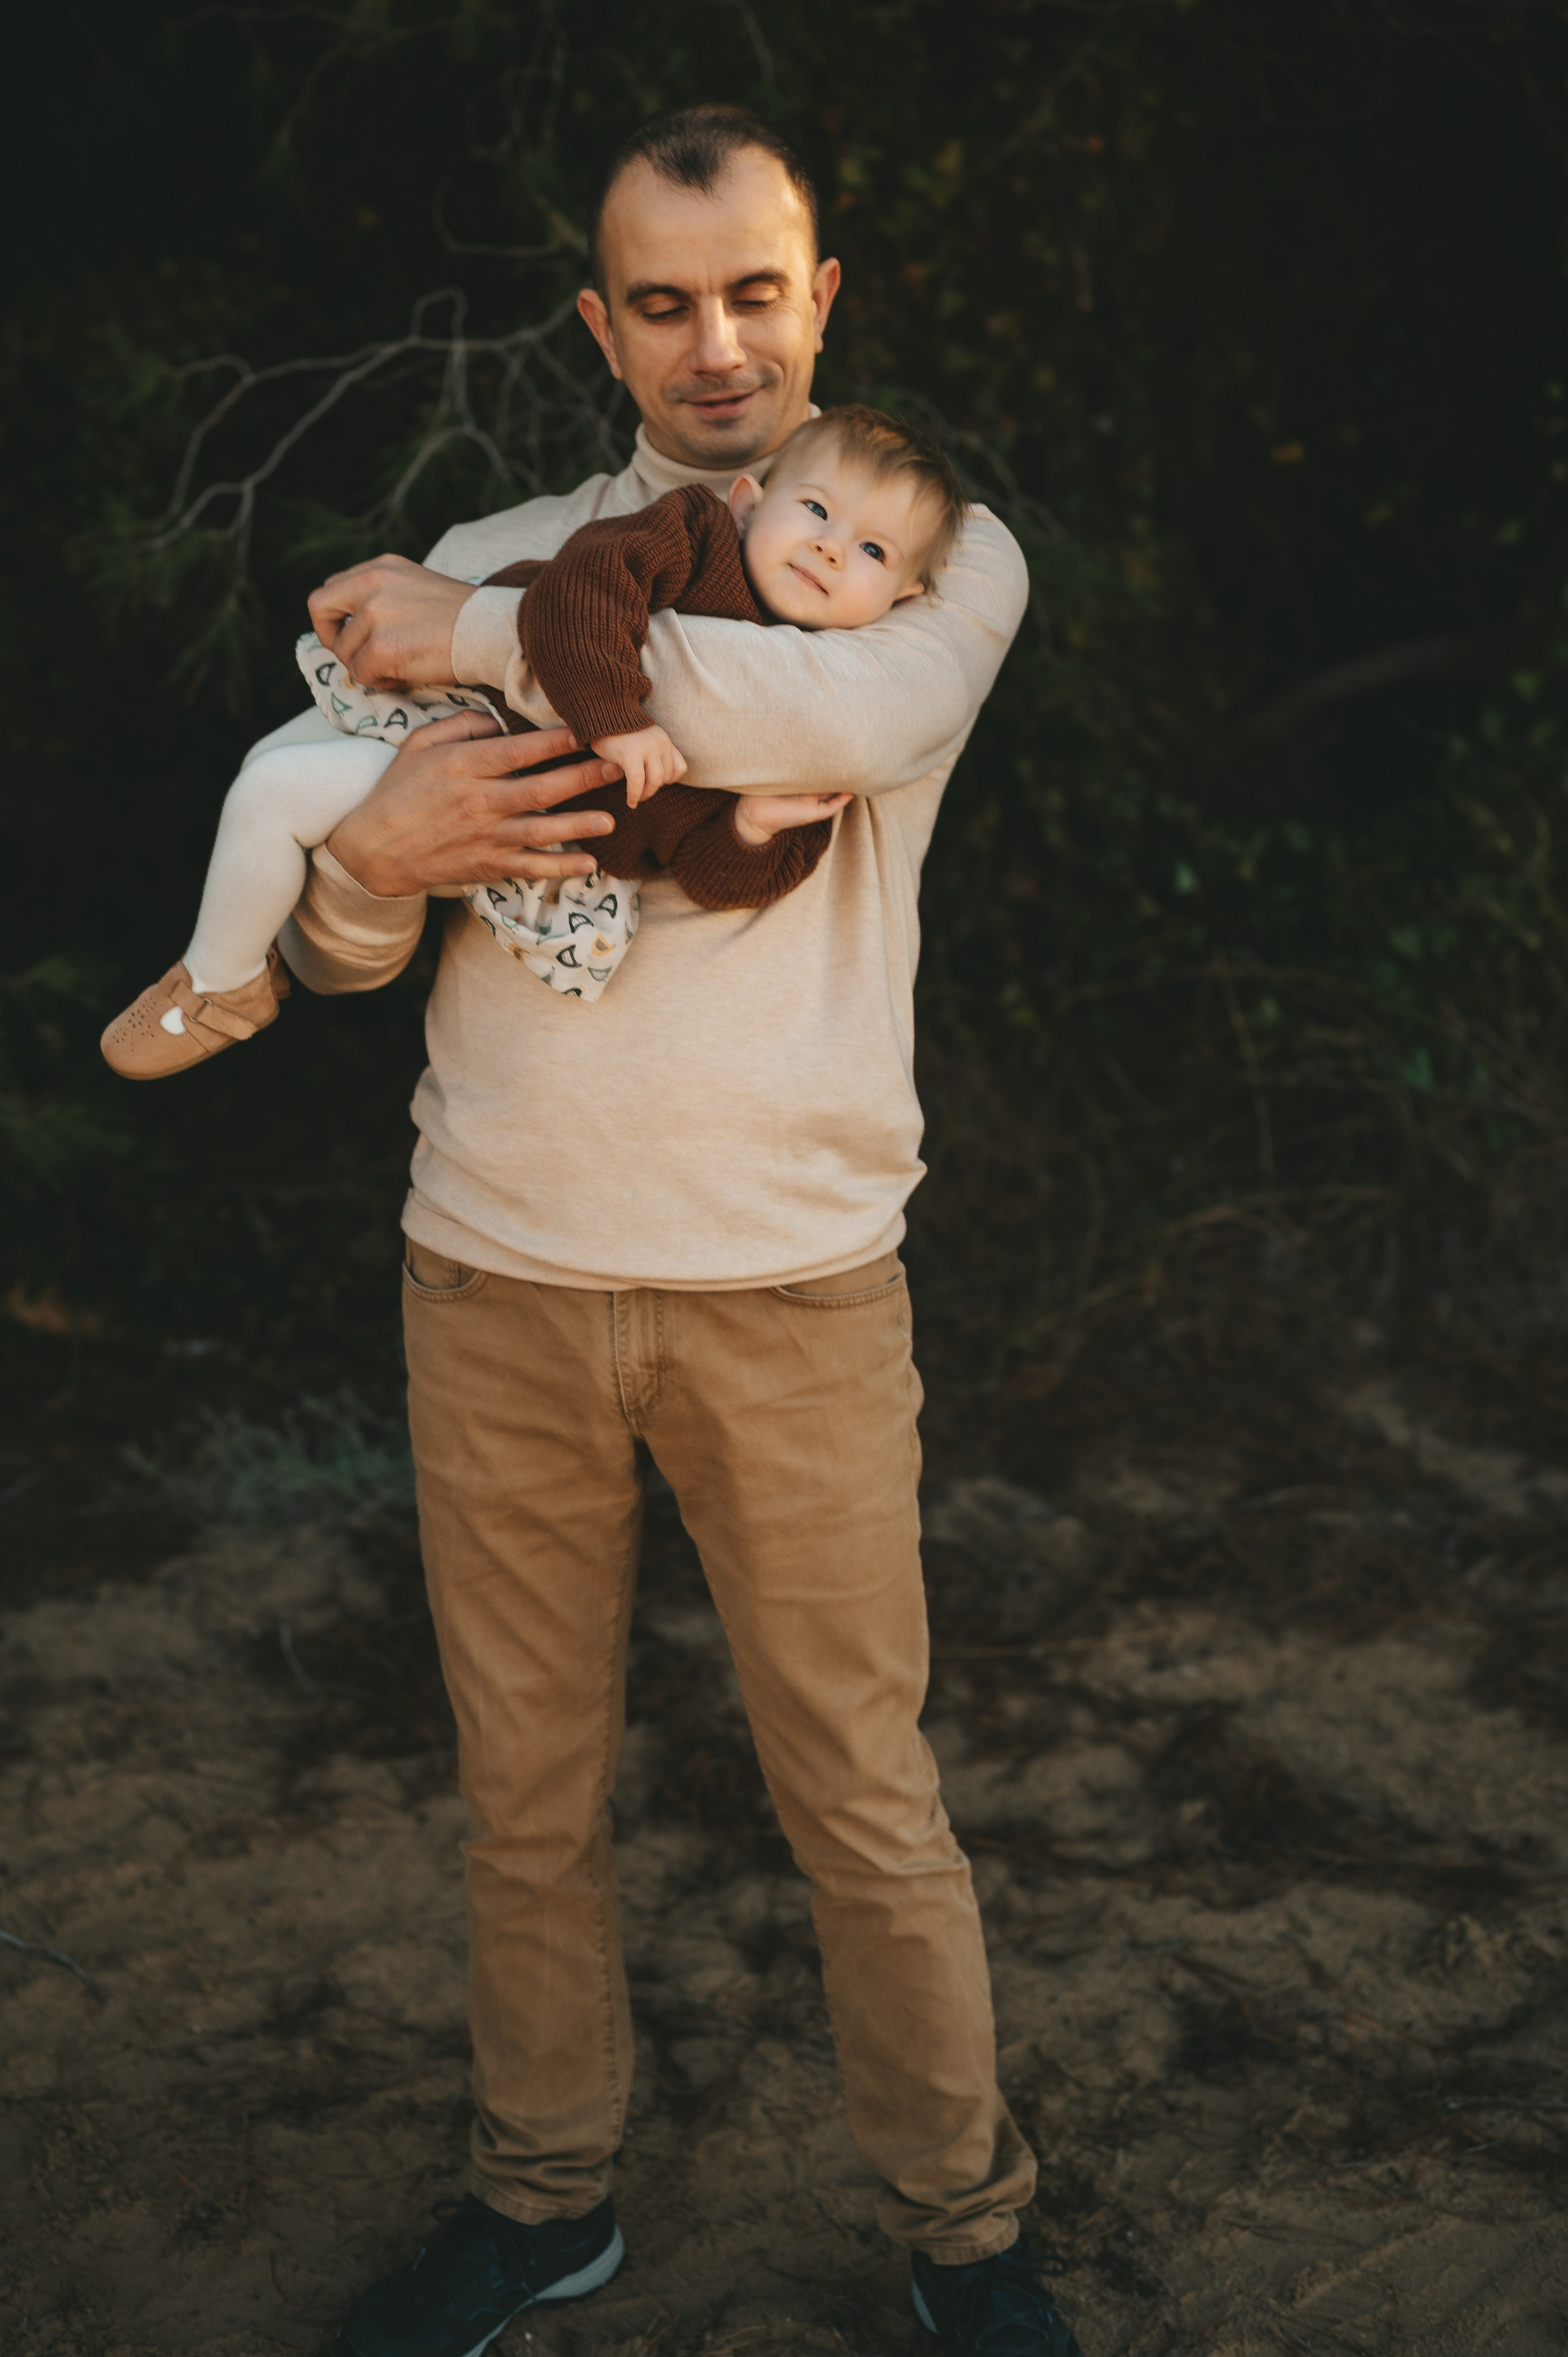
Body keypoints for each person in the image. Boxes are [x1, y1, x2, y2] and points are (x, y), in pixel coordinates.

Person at [281, 104, 1082, 2357]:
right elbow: (341, 949)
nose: (715, 344)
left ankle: (965, 2236)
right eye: (662, 302)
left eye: (752, 293)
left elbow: (853, 704)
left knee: (866, 1797)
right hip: (496, 1273)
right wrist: (368, 871)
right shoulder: (506, 544)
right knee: (524, 1801)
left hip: (794, 1288)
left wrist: (483, 639)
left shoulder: (928, 554)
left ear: (821, 297)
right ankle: (540, 2204)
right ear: (602, 323)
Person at [97, 404, 962, 1068]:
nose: (832, 549)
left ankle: (221, 987)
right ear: (748, 505)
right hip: (454, 720)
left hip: (532, 845)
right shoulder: (695, 534)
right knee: (266, 775)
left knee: (269, 792)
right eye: (814, 510)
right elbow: (581, 592)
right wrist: (617, 719)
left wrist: (749, 828)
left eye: (874, 552)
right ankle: (228, 972)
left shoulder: (840, 702)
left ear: (906, 601)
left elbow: (708, 874)